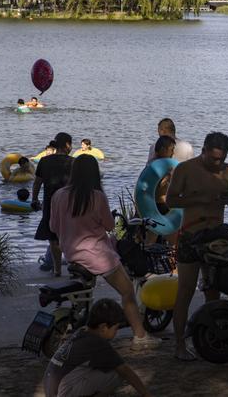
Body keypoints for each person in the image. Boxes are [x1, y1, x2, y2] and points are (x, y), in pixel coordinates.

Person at [50, 155, 161, 350]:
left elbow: (53, 226)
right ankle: (140, 336)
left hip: (71, 254)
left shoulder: (58, 195)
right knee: (127, 292)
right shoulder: (96, 197)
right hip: (96, 255)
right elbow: (110, 226)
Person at [166, 132, 228, 361]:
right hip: (191, 235)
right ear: (204, 150)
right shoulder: (185, 169)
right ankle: (179, 345)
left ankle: (212, 340)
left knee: (213, 290)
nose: (217, 163)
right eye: (213, 159)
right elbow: (170, 200)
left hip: (216, 238)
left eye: (221, 159)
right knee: (185, 291)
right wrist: (199, 200)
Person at [43, 298, 152, 397]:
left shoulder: (82, 331)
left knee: (104, 367)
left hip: (51, 388)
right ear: (103, 327)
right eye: (115, 328)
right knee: (116, 374)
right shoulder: (97, 343)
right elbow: (125, 370)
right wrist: (145, 393)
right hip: (63, 392)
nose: (116, 332)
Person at [31, 133, 74, 277]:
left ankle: (57, 269)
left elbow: (37, 183)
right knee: (70, 235)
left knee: (53, 237)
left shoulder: (44, 161)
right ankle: (74, 264)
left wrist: (34, 199)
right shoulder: (73, 162)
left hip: (50, 202)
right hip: (69, 203)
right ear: (67, 145)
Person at [145, 135, 176, 245]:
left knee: (155, 237)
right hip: (158, 206)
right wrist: (168, 176)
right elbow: (157, 187)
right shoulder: (156, 166)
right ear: (163, 149)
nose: (173, 153)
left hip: (159, 205)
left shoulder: (155, 163)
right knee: (156, 237)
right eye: (171, 150)